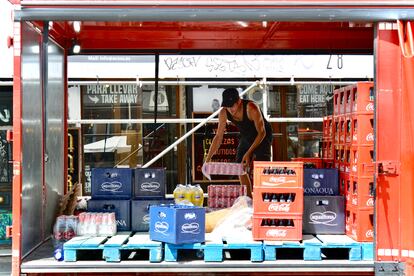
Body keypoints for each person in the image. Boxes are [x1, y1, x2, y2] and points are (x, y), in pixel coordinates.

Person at [204, 88, 273, 170]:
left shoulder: (251, 108)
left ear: (239, 101)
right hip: (246, 134)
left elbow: (262, 133)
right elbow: (218, 137)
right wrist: (207, 160)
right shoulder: (223, 112)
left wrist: (248, 153)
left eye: (232, 106)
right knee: (239, 167)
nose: (230, 109)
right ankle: (245, 183)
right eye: (227, 106)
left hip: (262, 136)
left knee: (261, 167)